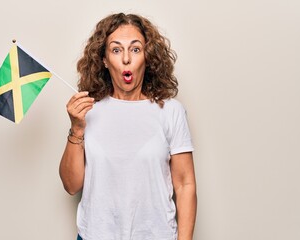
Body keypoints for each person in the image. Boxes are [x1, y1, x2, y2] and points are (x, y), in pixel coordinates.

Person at [59, 13, 197, 240]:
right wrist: (76, 129)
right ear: (104, 60)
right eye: (116, 49)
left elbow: (185, 184)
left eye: (135, 49)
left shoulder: (171, 111)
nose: (126, 59)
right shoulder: (88, 112)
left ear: (148, 57)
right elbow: (71, 185)